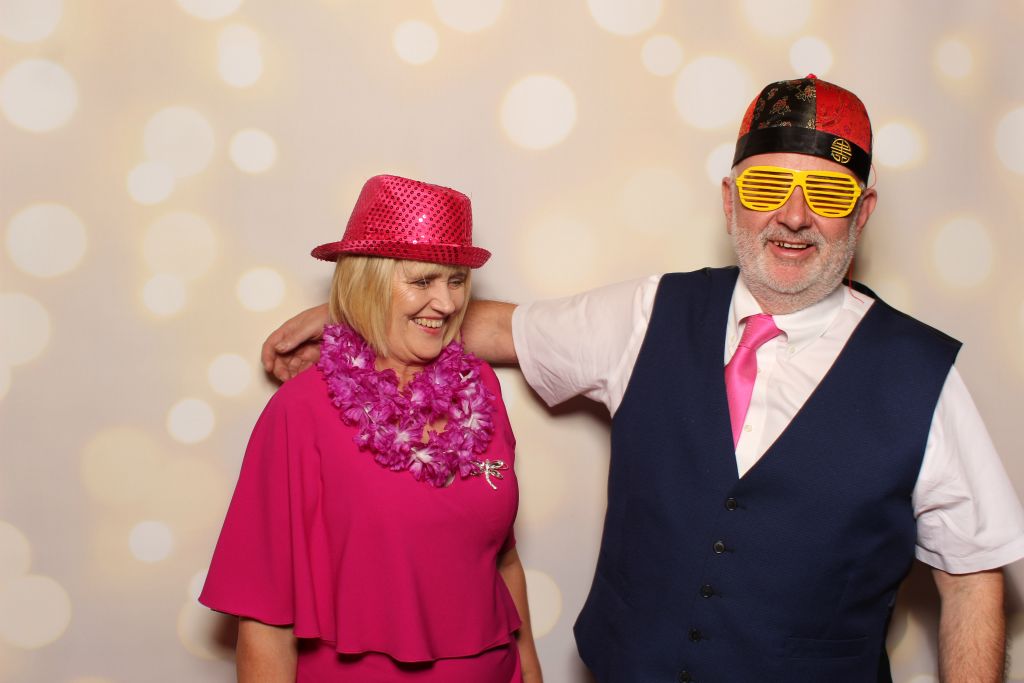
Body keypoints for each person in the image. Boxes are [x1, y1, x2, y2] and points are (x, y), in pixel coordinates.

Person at [260, 77, 1024, 682]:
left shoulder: (922, 374)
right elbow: (501, 328)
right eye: (766, 188)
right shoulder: (648, 310)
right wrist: (361, 313)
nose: (793, 217)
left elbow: (972, 579)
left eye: (826, 195)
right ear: (730, 200)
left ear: (863, 212)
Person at [200, 174, 543, 682]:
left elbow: (502, 562)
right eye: (423, 281)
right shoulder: (302, 410)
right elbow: (264, 621)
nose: (448, 303)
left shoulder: (481, 387)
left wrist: (531, 675)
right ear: (369, 283)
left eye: (456, 281)